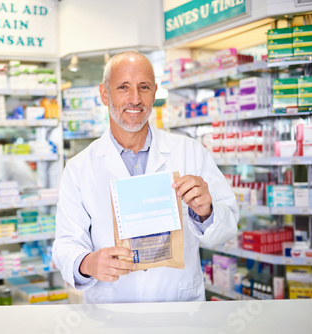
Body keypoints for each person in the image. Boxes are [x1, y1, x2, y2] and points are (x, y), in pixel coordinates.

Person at [52, 51, 238, 304]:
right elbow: (66, 242)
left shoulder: (190, 152)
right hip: (111, 310)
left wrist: (207, 211)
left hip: (178, 308)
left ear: (154, 92)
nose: (135, 99)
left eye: (144, 87)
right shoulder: (79, 168)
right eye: (123, 87)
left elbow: (225, 231)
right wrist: (88, 262)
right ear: (104, 94)